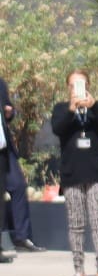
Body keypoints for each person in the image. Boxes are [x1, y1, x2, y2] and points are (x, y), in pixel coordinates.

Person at [51, 70, 98, 276]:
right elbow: (57, 129)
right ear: (68, 88)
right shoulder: (61, 109)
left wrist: (93, 105)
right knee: (76, 223)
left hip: (96, 172)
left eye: (82, 84)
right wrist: (71, 109)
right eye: (74, 85)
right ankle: (78, 267)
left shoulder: (97, 108)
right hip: (72, 174)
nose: (78, 89)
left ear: (88, 86)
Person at [0, 72, 42, 254]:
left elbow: (8, 110)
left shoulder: (0, 83)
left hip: (4, 147)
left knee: (17, 185)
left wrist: (9, 112)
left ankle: (21, 237)